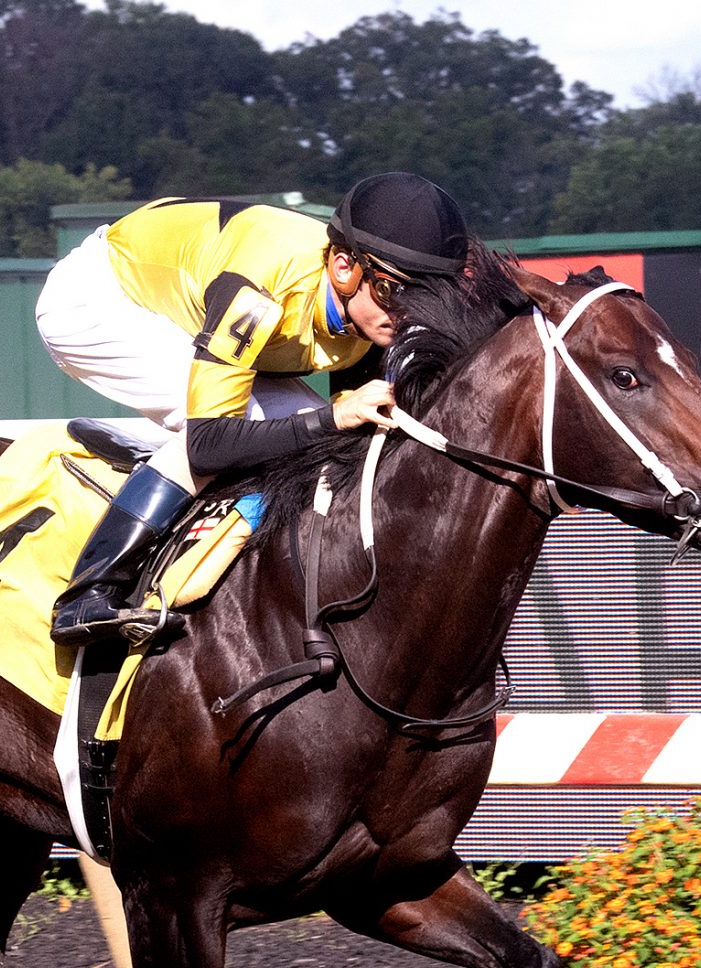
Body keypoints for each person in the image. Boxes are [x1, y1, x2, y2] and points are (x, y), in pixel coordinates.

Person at [34, 172, 473, 645]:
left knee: (325, 437)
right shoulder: (261, 296)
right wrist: (331, 418)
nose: (411, 314)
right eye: (396, 292)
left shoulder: (369, 308)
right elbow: (208, 444)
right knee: (271, 426)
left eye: (429, 298)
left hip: (188, 297)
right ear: (344, 268)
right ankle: (89, 593)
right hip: (95, 301)